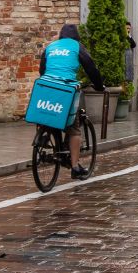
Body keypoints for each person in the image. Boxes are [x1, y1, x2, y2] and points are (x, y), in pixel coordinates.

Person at [39, 23, 105, 180]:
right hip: (66, 88)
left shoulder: (50, 47)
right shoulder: (77, 47)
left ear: (61, 35)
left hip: (46, 86)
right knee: (74, 128)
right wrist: (98, 85)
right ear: (77, 36)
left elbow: (42, 70)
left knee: (45, 111)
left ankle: (43, 135)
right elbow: (90, 68)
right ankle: (75, 167)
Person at [123, 19, 137, 85]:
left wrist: (129, 36)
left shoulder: (129, 36)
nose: (128, 30)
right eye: (127, 28)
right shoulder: (122, 37)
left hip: (128, 57)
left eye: (129, 28)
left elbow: (134, 45)